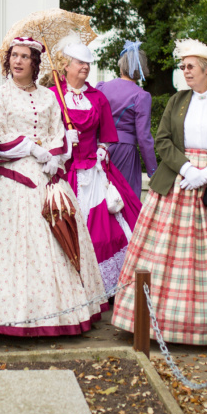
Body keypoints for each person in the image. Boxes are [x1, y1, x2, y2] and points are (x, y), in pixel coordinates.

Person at [0, 37, 107, 335]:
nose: (18, 61)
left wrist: (54, 154)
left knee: (55, 241)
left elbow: (57, 131)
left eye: (24, 57)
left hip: (47, 177)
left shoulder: (49, 96)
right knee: (10, 246)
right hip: (13, 176)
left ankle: (57, 312)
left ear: (35, 63)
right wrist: (31, 148)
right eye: (14, 56)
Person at [112, 39, 207, 345]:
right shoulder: (176, 101)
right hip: (177, 182)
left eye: (191, 66)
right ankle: (156, 320)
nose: (186, 71)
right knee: (164, 255)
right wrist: (186, 169)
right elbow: (162, 140)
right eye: (183, 67)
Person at [45, 34, 141, 294]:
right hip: (65, 171)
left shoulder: (98, 97)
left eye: (88, 63)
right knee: (66, 227)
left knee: (105, 230)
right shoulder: (52, 96)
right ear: (66, 65)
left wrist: (101, 149)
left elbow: (107, 135)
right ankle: (71, 288)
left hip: (95, 169)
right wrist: (63, 139)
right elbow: (43, 133)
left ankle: (103, 286)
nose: (85, 67)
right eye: (80, 62)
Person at [95, 41, 158, 199]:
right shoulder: (141, 96)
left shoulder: (102, 87)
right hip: (125, 152)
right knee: (124, 201)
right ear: (141, 68)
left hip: (100, 147)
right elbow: (143, 137)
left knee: (101, 198)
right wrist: (153, 170)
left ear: (121, 65)